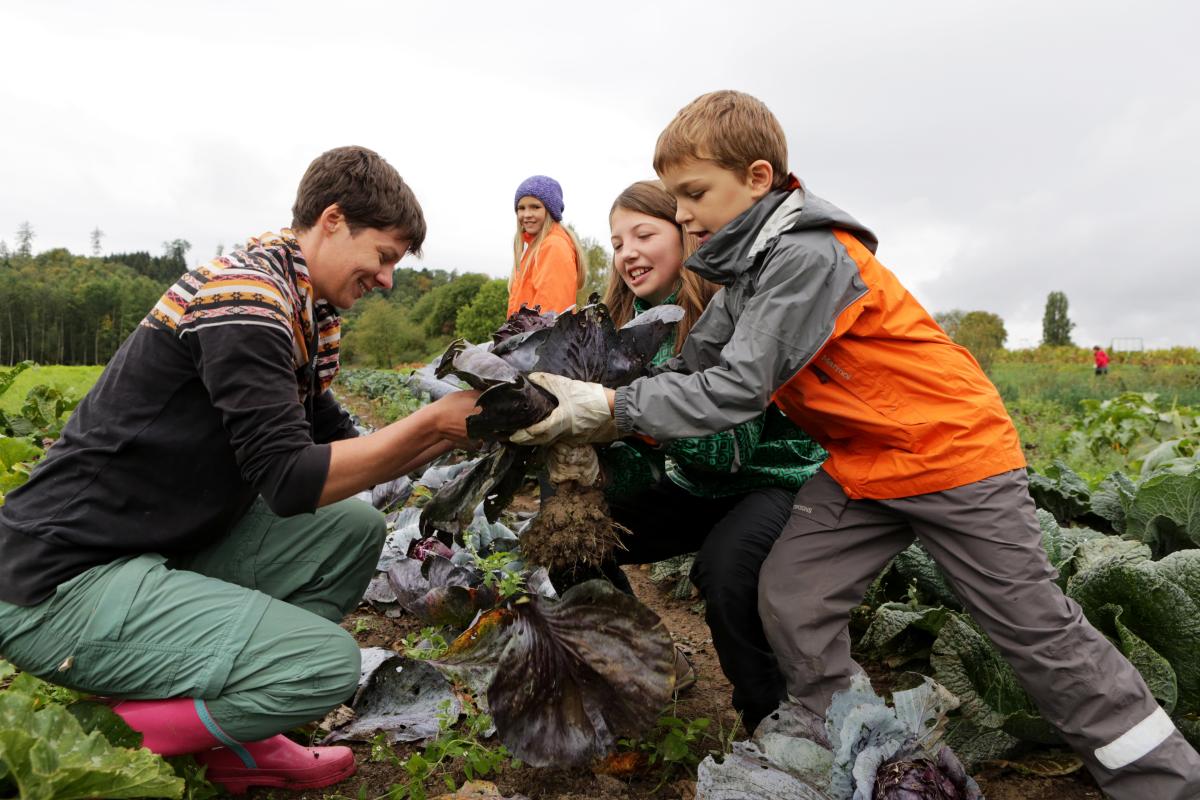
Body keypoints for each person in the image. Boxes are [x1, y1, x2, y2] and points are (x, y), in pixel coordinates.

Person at [510, 92, 1200, 799]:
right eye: (677, 197)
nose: (681, 213)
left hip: (952, 457)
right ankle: (834, 730)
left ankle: (1164, 781)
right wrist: (570, 396)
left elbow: (735, 391)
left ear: (756, 178)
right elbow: (692, 370)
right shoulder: (744, 275)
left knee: (1035, 634)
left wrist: (613, 409)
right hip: (865, 464)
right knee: (793, 594)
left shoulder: (807, 259)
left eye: (694, 194)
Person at [0, 146, 481, 795]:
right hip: (58, 579)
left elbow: (341, 444)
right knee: (325, 669)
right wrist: (430, 423)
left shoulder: (295, 310)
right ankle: (124, 738)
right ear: (333, 220)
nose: (389, 279)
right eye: (386, 256)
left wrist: (471, 429)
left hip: (145, 548)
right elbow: (289, 480)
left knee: (352, 528)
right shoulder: (245, 298)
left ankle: (237, 737)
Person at [598, 179, 826, 731]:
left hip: (767, 479)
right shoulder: (619, 331)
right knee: (574, 532)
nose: (627, 252)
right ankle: (651, 659)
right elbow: (641, 468)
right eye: (616, 241)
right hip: (695, 486)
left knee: (725, 573)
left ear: (685, 233)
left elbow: (726, 451)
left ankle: (772, 722)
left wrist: (633, 415)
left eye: (643, 234)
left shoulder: (728, 311)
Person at [507, 174, 586, 317]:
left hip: (539, 339)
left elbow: (550, 317)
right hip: (526, 337)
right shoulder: (534, 248)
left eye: (535, 207)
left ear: (550, 211)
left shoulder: (553, 247)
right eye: (521, 208)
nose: (526, 214)